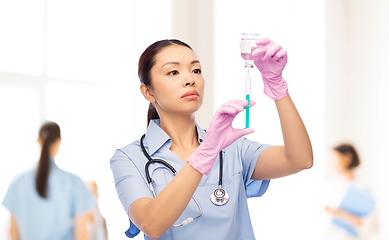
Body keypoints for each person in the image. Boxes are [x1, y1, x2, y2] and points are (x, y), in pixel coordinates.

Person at [110, 38, 313, 240]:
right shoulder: (129, 158)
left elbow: (300, 160)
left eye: (196, 70)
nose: (190, 79)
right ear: (148, 92)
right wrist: (205, 153)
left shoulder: (232, 147)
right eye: (173, 72)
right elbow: (151, 225)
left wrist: (278, 88)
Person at [2, 121, 96, 240]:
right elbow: (81, 234)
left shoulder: (18, 182)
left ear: (38, 141)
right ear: (59, 141)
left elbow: (13, 232)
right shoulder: (74, 182)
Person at [324, 143, 379, 239]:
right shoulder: (330, 186)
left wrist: (341, 214)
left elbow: (372, 226)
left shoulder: (361, 188)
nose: (329, 165)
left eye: (333, 160)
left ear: (347, 158)